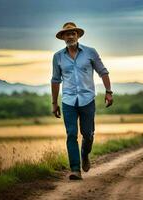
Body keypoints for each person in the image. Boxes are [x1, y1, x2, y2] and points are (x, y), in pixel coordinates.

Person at [51, 22, 113, 180]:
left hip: (87, 100)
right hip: (68, 101)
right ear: (63, 37)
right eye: (67, 34)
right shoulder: (57, 57)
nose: (70, 36)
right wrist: (54, 103)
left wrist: (108, 92)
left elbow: (103, 72)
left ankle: (85, 155)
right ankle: (75, 169)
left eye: (73, 33)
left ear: (77, 35)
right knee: (71, 134)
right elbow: (55, 80)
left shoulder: (90, 52)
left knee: (88, 134)